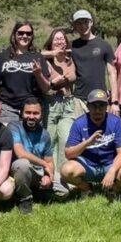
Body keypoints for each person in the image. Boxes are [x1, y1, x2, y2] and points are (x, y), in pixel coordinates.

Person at [61, 89, 121, 196]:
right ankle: (87, 188)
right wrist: (86, 143)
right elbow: (68, 153)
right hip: (87, 165)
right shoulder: (79, 123)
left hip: (110, 163)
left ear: (107, 107)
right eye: (94, 106)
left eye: (101, 105)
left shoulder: (116, 122)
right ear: (88, 106)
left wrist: (112, 171)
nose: (98, 110)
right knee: (66, 171)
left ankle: (112, 189)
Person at [0, 21, 50, 125]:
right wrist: (5, 96)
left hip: (31, 109)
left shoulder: (37, 57)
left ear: (32, 36)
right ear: (14, 34)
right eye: (21, 33)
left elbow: (45, 88)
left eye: (28, 33)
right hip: (8, 108)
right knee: (9, 139)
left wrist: (39, 74)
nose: (24, 36)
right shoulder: (4, 56)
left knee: (31, 141)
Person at [42, 28, 76, 196]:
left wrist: (61, 80)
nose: (60, 42)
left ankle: (63, 179)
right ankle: (51, 180)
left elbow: (73, 77)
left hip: (68, 104)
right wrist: (55, 83)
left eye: (62, 39)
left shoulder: (69, 59)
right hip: (51, 103)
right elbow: (38, 55)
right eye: (56, 39)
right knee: (50, 142)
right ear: (51, 41)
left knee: (65, 140)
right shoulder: (44, 58)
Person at [69, 9, 119, 117]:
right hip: (79, 99)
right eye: (79, 23)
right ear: (75, 26)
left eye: (85, 22)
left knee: (101, 132)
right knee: (82, 132)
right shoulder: (72, 46)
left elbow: (112, 73)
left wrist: (114, 101)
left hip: (100, 97)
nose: (83, 26)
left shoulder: (104, 45)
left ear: (91, 22)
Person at [9, 98, 54, 214]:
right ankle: (25, 199)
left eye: (35, 113)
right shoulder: (14, 127)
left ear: (41, 114)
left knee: (63, 191)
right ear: (21, 113)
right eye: (28, 112)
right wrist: (44, 164)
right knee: (22, 164)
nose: (31, 116)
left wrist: (48, 176)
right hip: (19, 170)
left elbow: (49, 161)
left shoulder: (45, 134)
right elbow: (20, 153)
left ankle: (37, 191)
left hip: (38, 172)